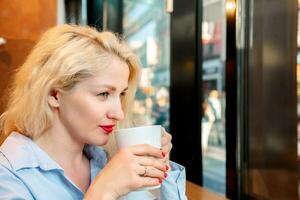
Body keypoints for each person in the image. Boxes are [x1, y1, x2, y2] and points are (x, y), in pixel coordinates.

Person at [0, 25, 186, 199]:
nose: (119, 114)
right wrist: (104, 190)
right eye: (103, 94)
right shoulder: (8, 174)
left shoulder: (106, 160)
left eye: (121, 95)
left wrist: (161, 166)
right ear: (54, 94)